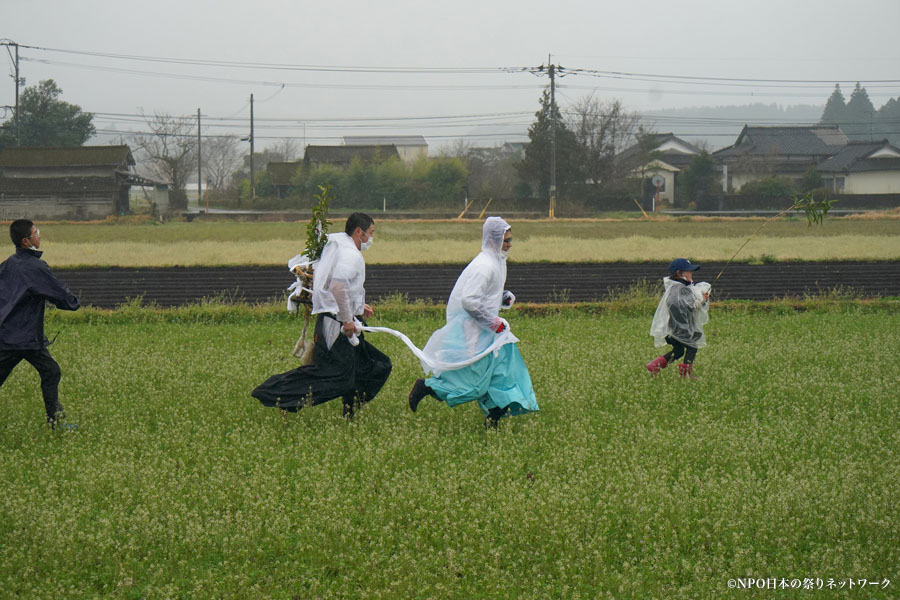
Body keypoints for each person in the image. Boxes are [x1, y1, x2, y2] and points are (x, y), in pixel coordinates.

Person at [251, 213, 392, 418]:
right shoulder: (350, 255)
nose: (371, 238)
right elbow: (337, 286)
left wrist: (359, 307)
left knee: (375, 366)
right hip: (336, 325)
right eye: (370, 233)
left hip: (339, 319)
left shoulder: (342, 248)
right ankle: (275, 392)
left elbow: (337, 286)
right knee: (335, 376)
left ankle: (349, 410)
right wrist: (347, 320)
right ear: (359, 232)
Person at [407, 216, 538, 427]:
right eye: (507, 240)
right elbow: (469, 301)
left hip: (489, 331)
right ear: (495, 240)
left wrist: (501, 297)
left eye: (511, 240)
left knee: (502, 373)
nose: (510, 244)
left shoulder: (497, 260)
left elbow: (483, 294)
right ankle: (428, 388)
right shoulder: (485, 265)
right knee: (474, 382)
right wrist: (492, 322)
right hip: (476, 331)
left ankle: (494, 416)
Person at [0, 220, 81, 427]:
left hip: (11, 334)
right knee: (51, 371)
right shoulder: (35, 267)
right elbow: (57, 292)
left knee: (51, 370)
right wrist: (72, 302)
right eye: (36, 232)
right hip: (22, 337)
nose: (39, 235)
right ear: (27, 241)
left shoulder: (8, 263)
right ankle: (56, 421)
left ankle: (56, 420)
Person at [645, 258, 711, 380]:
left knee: (679, 351)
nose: (691, 273)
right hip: (677, 329)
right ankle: (686, 375)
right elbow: (675, 304)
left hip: (674, 328)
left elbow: (689, 305)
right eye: (689, 271)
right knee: (692, 347)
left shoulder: (682, 287)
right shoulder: (678, 288)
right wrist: (694, 304)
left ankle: (654, 366)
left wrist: (701, 301)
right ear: (679, 273)